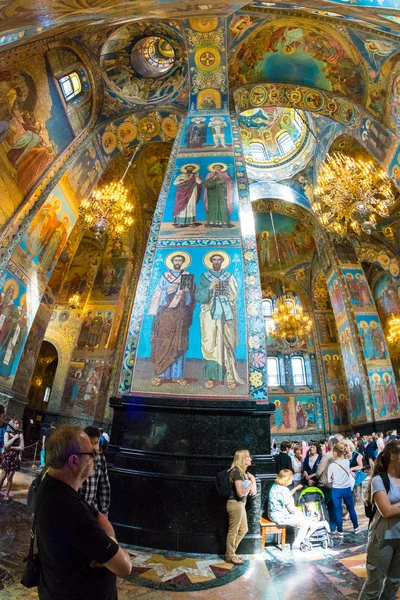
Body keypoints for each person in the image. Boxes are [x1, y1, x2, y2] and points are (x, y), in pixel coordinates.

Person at [35, 425, 132, 599]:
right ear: (73, 461)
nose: (95, 457)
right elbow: (124, 566)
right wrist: (115, 549)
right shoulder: (68, 508)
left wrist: (109, 540)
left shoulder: (58, 487)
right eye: (91, 454)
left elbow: (100, 517)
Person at [195, 252, 244, 390]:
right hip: (209, 313)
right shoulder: (205, 277)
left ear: (222, 261)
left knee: (227, 341)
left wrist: (225, 300)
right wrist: (210, 288)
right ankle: (211, 377)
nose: (216, 261)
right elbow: (198, 295)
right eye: (214, 259)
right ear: (211, 261)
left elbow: (234, 295)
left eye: (219, 259)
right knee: (209, 342)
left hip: (226, 312)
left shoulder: (229, 276)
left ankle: (229, 376)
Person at [359, 440, 400, 600]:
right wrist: (392, 508)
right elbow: (387, 511)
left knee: (394, 581)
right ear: (393, 457)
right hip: (383, 538)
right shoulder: (379, 480)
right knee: (374, 584)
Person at [148, 253, 196, 387]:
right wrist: (167, 291)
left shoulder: (187, 275)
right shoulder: (165, 276)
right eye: (176, 259)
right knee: (163, 343)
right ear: (172, 261)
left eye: (180, 260)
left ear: (183, 262)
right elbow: (157, 292)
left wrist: (187, 292)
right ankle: (161, 375)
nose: (178, 261)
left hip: (180, 315)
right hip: (166, 314)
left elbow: (190, 299)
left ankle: (177, 376)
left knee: (179, 344)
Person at [268, 469, 330, 550]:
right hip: (281, 517)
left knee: (303, 519)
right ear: (286, 479)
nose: (292, 479)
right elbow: (291, 508)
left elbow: (285, 497)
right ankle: (297, 544)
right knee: (304, 522)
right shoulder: (284, 489)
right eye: (291, 478)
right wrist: (302, 514)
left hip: (273, 514)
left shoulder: (275, 486)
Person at [225, 449, 256, 565]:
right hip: (235, 504)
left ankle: (230, 552)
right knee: (233, 531)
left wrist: (251, 480)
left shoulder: (242, 473)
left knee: (244, 529)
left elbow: (254, 492)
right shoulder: (236, 472)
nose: (251, 459)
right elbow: (240, 492)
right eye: (248, 457)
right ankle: (230, 555)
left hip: (240, 505)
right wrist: (251, 484)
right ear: (243, 459)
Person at [328, 443, 359, 538]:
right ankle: (356, 528)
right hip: (347, 489)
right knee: (351, 508)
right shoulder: (346, 462)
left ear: (335, 453)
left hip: (336, 490)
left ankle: (340, 532)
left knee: (337, 510)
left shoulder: (332, 465)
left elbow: (329, 480)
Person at [79, 426, 111, 515]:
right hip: (75, 507)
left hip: (91, 508)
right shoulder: (77, 456)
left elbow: (104, 484)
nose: (93, 447)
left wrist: (104, 511)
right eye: (90, 443)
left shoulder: (100, 457)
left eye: (95, 443)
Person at [316, 435, 342, 530]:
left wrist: (318, 477)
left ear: (330, 444)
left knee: (325, 506)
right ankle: (334, 526)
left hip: (327, 484)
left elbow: (319, 471)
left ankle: (327, 526)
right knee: (335, 507)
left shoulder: (327, 455)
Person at [0, 419, 24, 501]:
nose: (18, 425)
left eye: (18, 423)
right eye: (16, 423)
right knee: (2, 477)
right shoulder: (6, 433)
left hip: (15, 458)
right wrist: (14, 438)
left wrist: (13, 448)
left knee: (10, 477)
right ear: (12, 424)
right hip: (7, 457)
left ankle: (6, 494)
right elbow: (6, 445)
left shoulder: (20, 435)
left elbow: (22, 447)